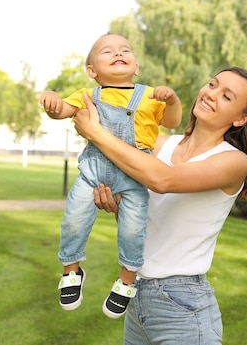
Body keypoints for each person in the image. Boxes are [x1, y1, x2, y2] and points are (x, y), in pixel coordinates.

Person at [73, 66, 247, 344]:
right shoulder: (160, 145)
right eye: (212, 85)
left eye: (226, 96)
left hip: (183, 307)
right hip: (138, 296)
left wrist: (97, 133)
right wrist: (119, 208)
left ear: (241, 118)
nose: (211, 94)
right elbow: (144, 222)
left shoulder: (233, 161)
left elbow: (163, 180)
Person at [39, 33, 183, 318]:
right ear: (92, 71)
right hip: (93, 173)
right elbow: (63, 111)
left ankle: (126, 281)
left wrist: (173, 100)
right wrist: (53, 102)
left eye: (124, 50)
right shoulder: (86, 96)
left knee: (133, 230)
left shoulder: (151, 95)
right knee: (73, 221)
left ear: (136, 66)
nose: (118, 53)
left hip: (133, 178)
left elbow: (172, 121)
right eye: (107, 51)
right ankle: (71, 271)